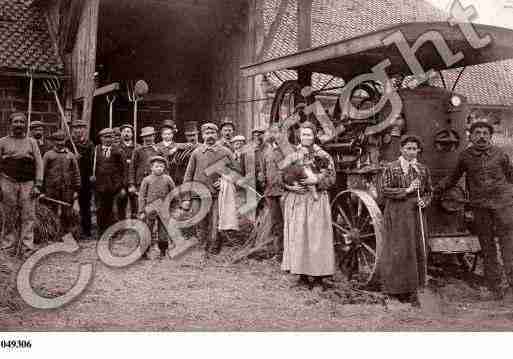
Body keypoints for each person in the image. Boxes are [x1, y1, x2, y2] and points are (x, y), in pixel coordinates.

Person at [437, 119, 513, 300]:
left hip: (503, 206)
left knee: (509, 246)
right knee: (486, 247)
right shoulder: (465, 156)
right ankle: (494, 287)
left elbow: (510, 176)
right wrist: (438, 188)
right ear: (471, 136)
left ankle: (511, 286)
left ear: (490, 137)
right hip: (480, 207)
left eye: (485, 133)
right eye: (477, 133)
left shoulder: (501, 154)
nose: (481, 137)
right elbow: (453, 177)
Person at [281, 121, 336, 290]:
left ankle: (319, 278)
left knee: (316, 237)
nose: (306, 137)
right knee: (299, 237)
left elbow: (332, 179)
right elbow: (282, 176)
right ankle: (302, 276)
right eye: (303, 134)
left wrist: (317, 180)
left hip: (315, 201)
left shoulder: (323, 155)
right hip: (297, 200)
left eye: (309, 134)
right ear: (300, 136)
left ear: (314, 136)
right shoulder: (292, 155)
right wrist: (290, 186)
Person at [380, 134, 432, 305]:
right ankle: (394, 290)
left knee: (416, 249)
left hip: (416, 213)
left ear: (418, 150)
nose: (411, 152)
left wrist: (424, 201)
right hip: (397, 213)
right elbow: (385, 190)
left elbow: (429, 191)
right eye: (408, 148)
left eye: (414, 149)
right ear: (401, 149)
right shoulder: (392, 167)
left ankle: (413, 289)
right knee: (399, 249)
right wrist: (408, 190)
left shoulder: (422, 169)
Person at [182, 123, 237, 255]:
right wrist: (186, 198)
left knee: (215, 221)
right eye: (207, 133)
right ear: (202, 135)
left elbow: (236, 171)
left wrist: (224, 179)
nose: (210, 136)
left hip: (217, 194)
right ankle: (202, 246)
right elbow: (188, 175)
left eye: (212, 133)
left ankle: (213, 247)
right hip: (197, 194)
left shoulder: (225, 151)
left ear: (217, 135)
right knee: (199, 221)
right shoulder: (196, 153)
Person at [0, 112, 43, 254]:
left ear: (26, 125)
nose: (19, 125)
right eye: (15, 122)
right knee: (9, 215)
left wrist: (38, 184)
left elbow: (39, 164)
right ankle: (8, 246)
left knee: (28, 216)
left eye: (22, 122)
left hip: (28, 184)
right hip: (7, 182)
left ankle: (27, 248)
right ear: (10, 124)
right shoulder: (2, 142)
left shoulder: (32, 142)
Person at [43, 131, 81, 237]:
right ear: (53, 142)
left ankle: (66, 234)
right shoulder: (48, 155)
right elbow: (42, 173)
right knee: (51, 211)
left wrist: (76, 189)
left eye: (62, 140)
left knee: (66, 212)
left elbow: (76, 173)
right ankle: (52, 234)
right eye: (57, 140)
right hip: (51, 188)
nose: (60, 143)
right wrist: (42, 189)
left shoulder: (70, 155)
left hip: (67, 188)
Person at [138, 155, 176, 260]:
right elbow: (141, 196)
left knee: (163, 230)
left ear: (164, 168)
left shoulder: (168, 179)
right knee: (147, 228)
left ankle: (163, 250)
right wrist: (141, 210)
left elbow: (174, 193)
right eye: (156, 166)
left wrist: (173, 207)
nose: (159, 168)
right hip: (150, 209)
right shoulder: (146, 180)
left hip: (164, 208)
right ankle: (144, 251)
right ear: (151, 168)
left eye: (161, 166)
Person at [92, 128, 126, 236]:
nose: (108, 139)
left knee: (113, 209)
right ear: (101, 138)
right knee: (101, 209)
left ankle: (114, 232)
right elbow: (91, 165)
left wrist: (122, 186)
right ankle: (101, 232)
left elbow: (124, 169)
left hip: (114, 185)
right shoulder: (96, 150)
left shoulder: (119, 151)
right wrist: (91, 176)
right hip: (100, 185)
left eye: (110, 137)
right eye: (105, 137)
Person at [261, 124, 285, 256]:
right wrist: (263, 180)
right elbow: (262, 171)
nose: (274, 135)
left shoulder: (287, 149)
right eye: (271, 133)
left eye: (276, 132)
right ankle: (279, 252)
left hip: (284, 192)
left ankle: (289, 252)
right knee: (276, 222)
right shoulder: (266, 152)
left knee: (287, 222)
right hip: (270, 192)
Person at [68, 120, 95, 238]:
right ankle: (70, 231)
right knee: (69, 204)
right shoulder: (68, 144)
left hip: (85, 178)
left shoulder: (89, 145)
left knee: (85, 205)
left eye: (81, 128)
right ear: (73, 130)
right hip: (71, 178)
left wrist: (91, 175)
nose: (78, 131)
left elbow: (93, 162)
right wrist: (73, 157)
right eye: (76, 128)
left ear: (84, 130)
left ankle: (86, 230)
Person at [128, 127, 160, 207]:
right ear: (142, 138)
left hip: (155, 181)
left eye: (150, 136)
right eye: (146, 136)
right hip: (140, 182)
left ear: (154, 136)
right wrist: (132, 184)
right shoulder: (137, 150)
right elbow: (132, 167)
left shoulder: (158, 150)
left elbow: (165, 167)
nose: (148, 138)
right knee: (140, 206)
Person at [117, 124, 139, 219]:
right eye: (124, 131)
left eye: (129, 132)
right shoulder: (116, 147)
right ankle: (121, 225)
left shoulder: (137, 147)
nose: (126, 134)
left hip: (134, 179)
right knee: (121, 203)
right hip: (121, 179)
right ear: (121, 134)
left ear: (132, 134)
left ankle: (135, 225)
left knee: (135, 203)